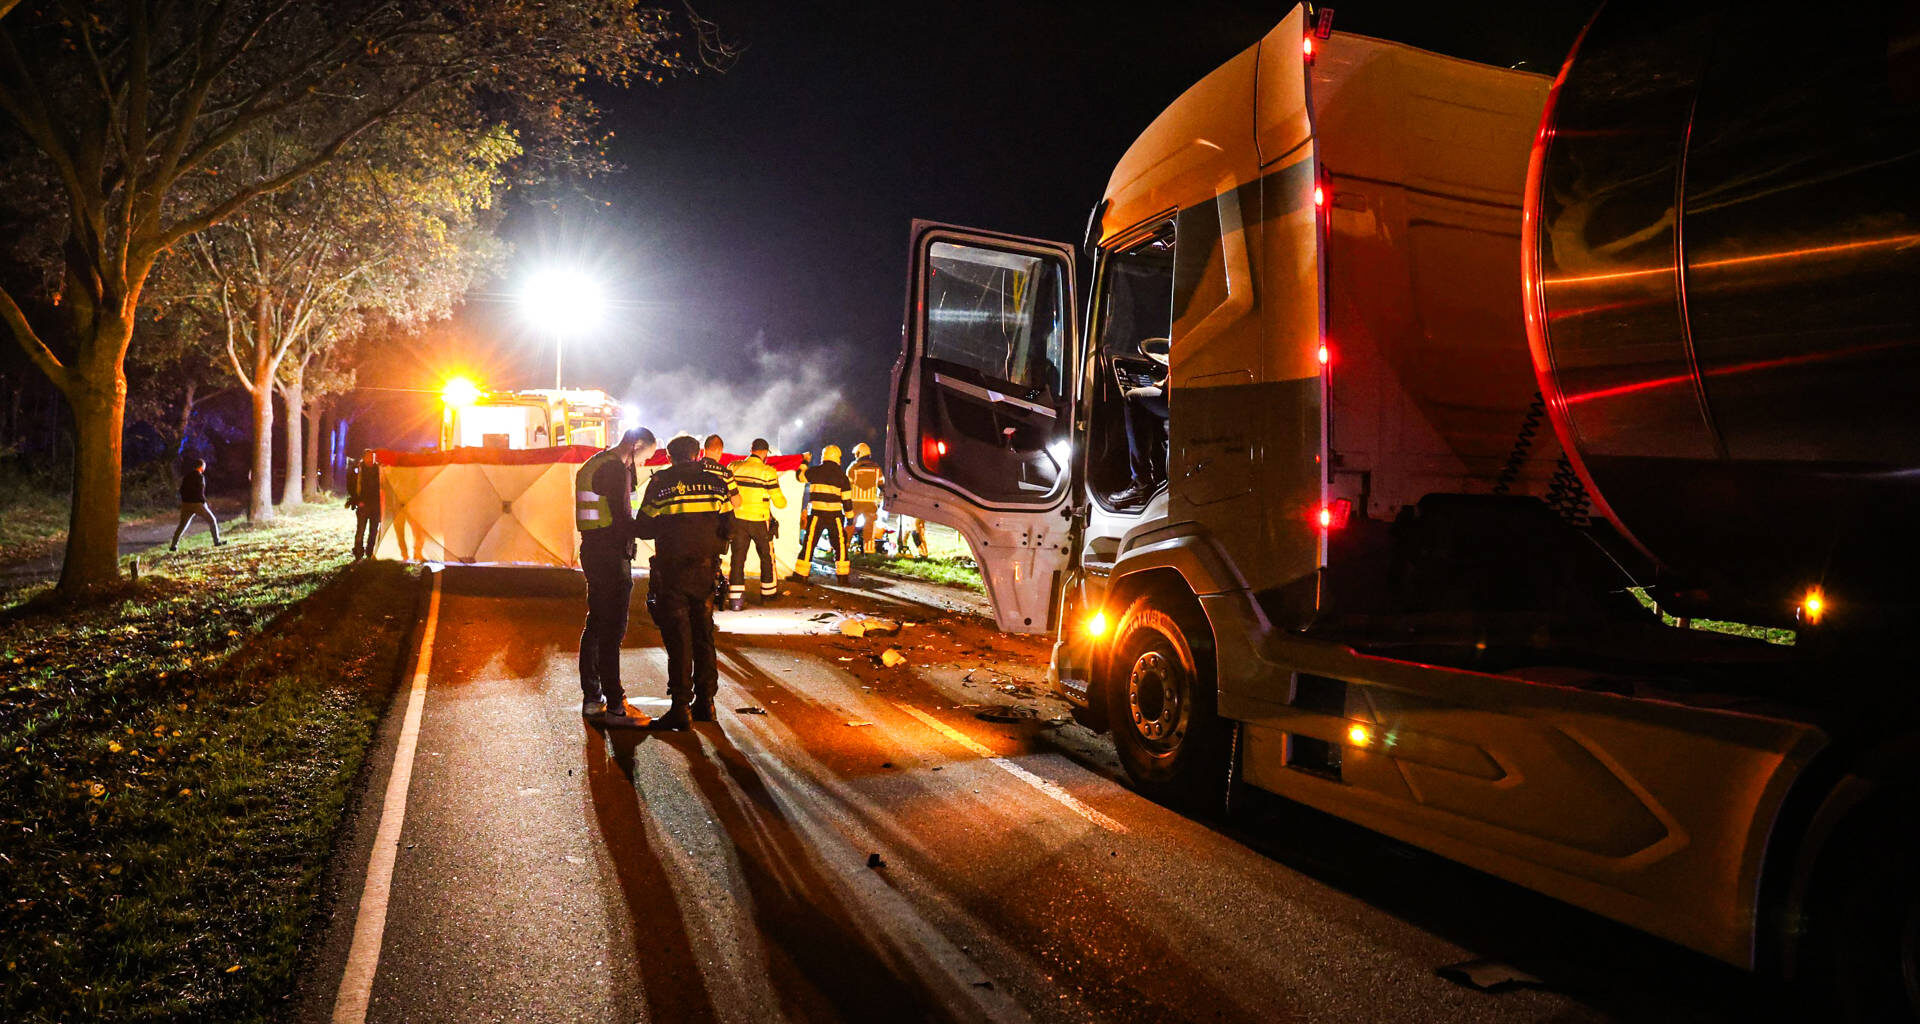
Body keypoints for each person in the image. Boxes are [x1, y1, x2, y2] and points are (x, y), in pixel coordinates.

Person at [636, 434, 734, 730]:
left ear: (668, 456)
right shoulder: (717, 483)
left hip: (673, 572)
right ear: (699, 454)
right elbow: (729, 527)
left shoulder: (661, 483)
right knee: (704, 635)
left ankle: (681, 708)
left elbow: (643, 527)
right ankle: (707, 704)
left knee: (679, 639)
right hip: (706, 572)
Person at [576, 427, 659, 727]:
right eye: (644, 457)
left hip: (594, 550)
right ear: (635, 445)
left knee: (597, 623)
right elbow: (624, 518)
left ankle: (593, 697)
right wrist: (654, 529)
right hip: (611, 555)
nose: (644, 464)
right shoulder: (615, 470)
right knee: (612, 628)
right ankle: (615, 706)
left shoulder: (596, 462)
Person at [726, 438, 787, 610]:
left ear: (751, 449)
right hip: (760, 521)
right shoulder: (768, 471)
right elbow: (780, 502)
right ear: (765, 452)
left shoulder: (734, 466)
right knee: (766, 558)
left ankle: (736, 600)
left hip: (737, 520)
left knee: (737, 559)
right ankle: (768, 595)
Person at [792, 444, 851, 584]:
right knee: (840, 545)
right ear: (838, 457)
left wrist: (805, 462)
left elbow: (799, 477)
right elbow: (847, 500)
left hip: (817, 514)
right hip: (835, 516)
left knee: (809, 543)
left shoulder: (815, 471)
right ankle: (843, 577)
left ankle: (801, 575)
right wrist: (850, 517)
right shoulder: (842, 476)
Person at [169, 457, 224, 551]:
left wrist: (184, 501)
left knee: (182, 525)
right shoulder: (200, 477)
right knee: (212, 520)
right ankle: (217, 541)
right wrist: (204, 502)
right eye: (204, 466)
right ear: (201, 466)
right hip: (197, 504)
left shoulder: (186, 477)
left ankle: (173, 545)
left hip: (186, 504)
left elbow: (181, 490)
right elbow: (200, 491)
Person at [845, 442, 884, 554]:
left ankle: (844, 546)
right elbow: (882, 485)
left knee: (850, 525)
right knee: (870, 527)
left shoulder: (853, 467)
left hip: (855, 503)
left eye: (856, 453)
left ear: (859, 453)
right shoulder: (877, 468)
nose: (855, 456)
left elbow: (847, 485)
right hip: (871, 503)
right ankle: (869, 549)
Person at [347, 450, 382, 559]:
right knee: (361, 529)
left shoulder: (379, 469)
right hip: (363, 504)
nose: (371, 459)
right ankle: (358, 552)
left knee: (373, 530)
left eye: (372, 457)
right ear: (364, 457)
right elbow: (351, 485)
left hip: (376, 505)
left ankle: (370, 552)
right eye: (368, 457)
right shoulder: (358, 469)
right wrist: (357, 500)